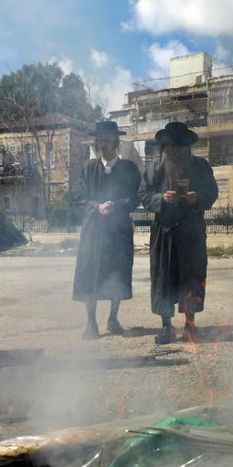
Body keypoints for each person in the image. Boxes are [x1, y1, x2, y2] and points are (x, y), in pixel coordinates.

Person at [139, 122, 218, 344]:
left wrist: (197, 197)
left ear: (188, 148)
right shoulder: (154, 168)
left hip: (191, 233)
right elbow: (144, 194)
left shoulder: (201, 167)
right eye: (172, 147)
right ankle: (166, 327)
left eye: (181, 147)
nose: (177, 151)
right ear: (164, 149)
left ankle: (190, 325)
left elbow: (212, 192)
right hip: (164, 232)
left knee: (191, 278)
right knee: (163, 279)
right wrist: (160, 199)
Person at [73, 121, 141, 339]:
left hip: (118, 230)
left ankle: (113, 318)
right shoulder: (88, 168)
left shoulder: (129, 169)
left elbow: (135, 196)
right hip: (93, 230)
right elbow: (79, 197)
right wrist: (97, 206)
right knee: (90, 272)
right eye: (99, 139)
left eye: (107, 139)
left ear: (116, 141)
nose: (103, 144)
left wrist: (117, 205)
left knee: (117, 273)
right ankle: (91, 322)